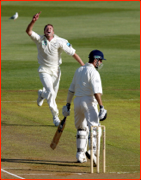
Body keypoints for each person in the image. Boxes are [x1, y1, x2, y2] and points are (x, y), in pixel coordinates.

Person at [26, 12, 84, 127]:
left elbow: (73, 53)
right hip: (44, 70)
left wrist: (83, 65)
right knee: (51, 93)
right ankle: (55, 117)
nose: (49, 29)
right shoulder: (40, 39)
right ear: (44, 32)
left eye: (50, 28)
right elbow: (28, 32)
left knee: (51, 94)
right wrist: (33, 21)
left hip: (56, 72)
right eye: (47, 28)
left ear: (53, 31)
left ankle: (42, 94)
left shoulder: (60, 41)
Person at [62, 50, 107, 164]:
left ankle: (80, 155)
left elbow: (71, 89)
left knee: (81, 128)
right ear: (96, 60)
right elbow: (96, 91)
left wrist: (67, 104)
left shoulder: (79, 70)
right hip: (88, 102)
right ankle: (93, 152)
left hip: (77, 101)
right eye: (100, 60)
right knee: (95, 128)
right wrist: (101, 107)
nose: (101, 63)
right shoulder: (94, 72)